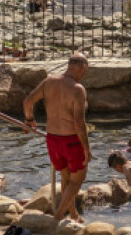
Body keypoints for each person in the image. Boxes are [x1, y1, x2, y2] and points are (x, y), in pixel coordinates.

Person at [23, 54, 92, 223]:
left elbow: (27, 102)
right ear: (82, 68)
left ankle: (74, 215)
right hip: (72, 141)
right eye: (86, 70)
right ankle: (58, 217)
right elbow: (79, 123)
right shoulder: (78, 89)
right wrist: (86, 148)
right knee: (77, 180)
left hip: (52, 139)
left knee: (66, 178)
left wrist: (30, 120)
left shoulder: (48, 82)